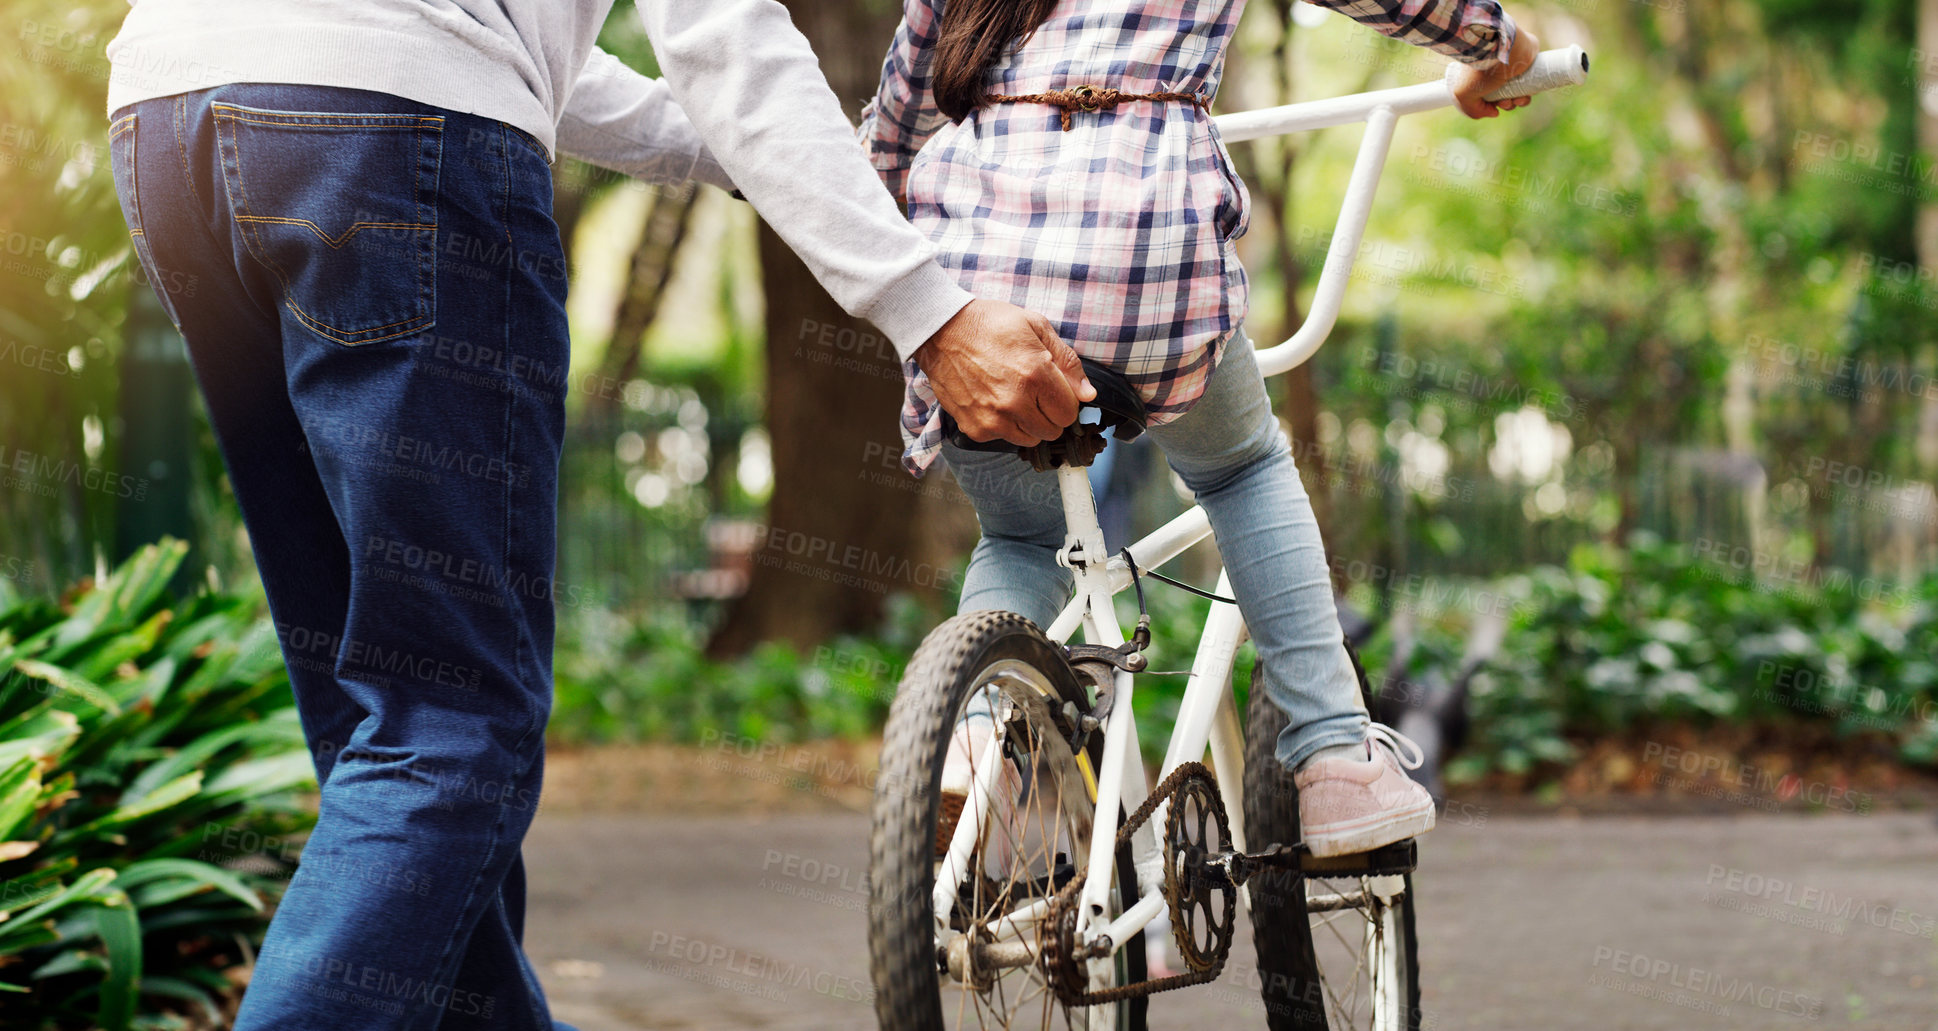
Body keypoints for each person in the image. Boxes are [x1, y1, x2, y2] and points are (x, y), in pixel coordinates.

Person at [103, 2, 1095, 1027]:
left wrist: (815, 168)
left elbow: (542, 65)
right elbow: (720, 37)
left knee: (382, 721)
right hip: (387, 136)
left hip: (171, 113)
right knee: (450, 728)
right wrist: (928, 311)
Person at [860, 0, 1540, 858]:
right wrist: (1496, 45)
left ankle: (967, 739)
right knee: (1242, 467)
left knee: (1021, 537)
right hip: (1141, 268)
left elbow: (892, 133)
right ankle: (1333, 753)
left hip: (976, 306)